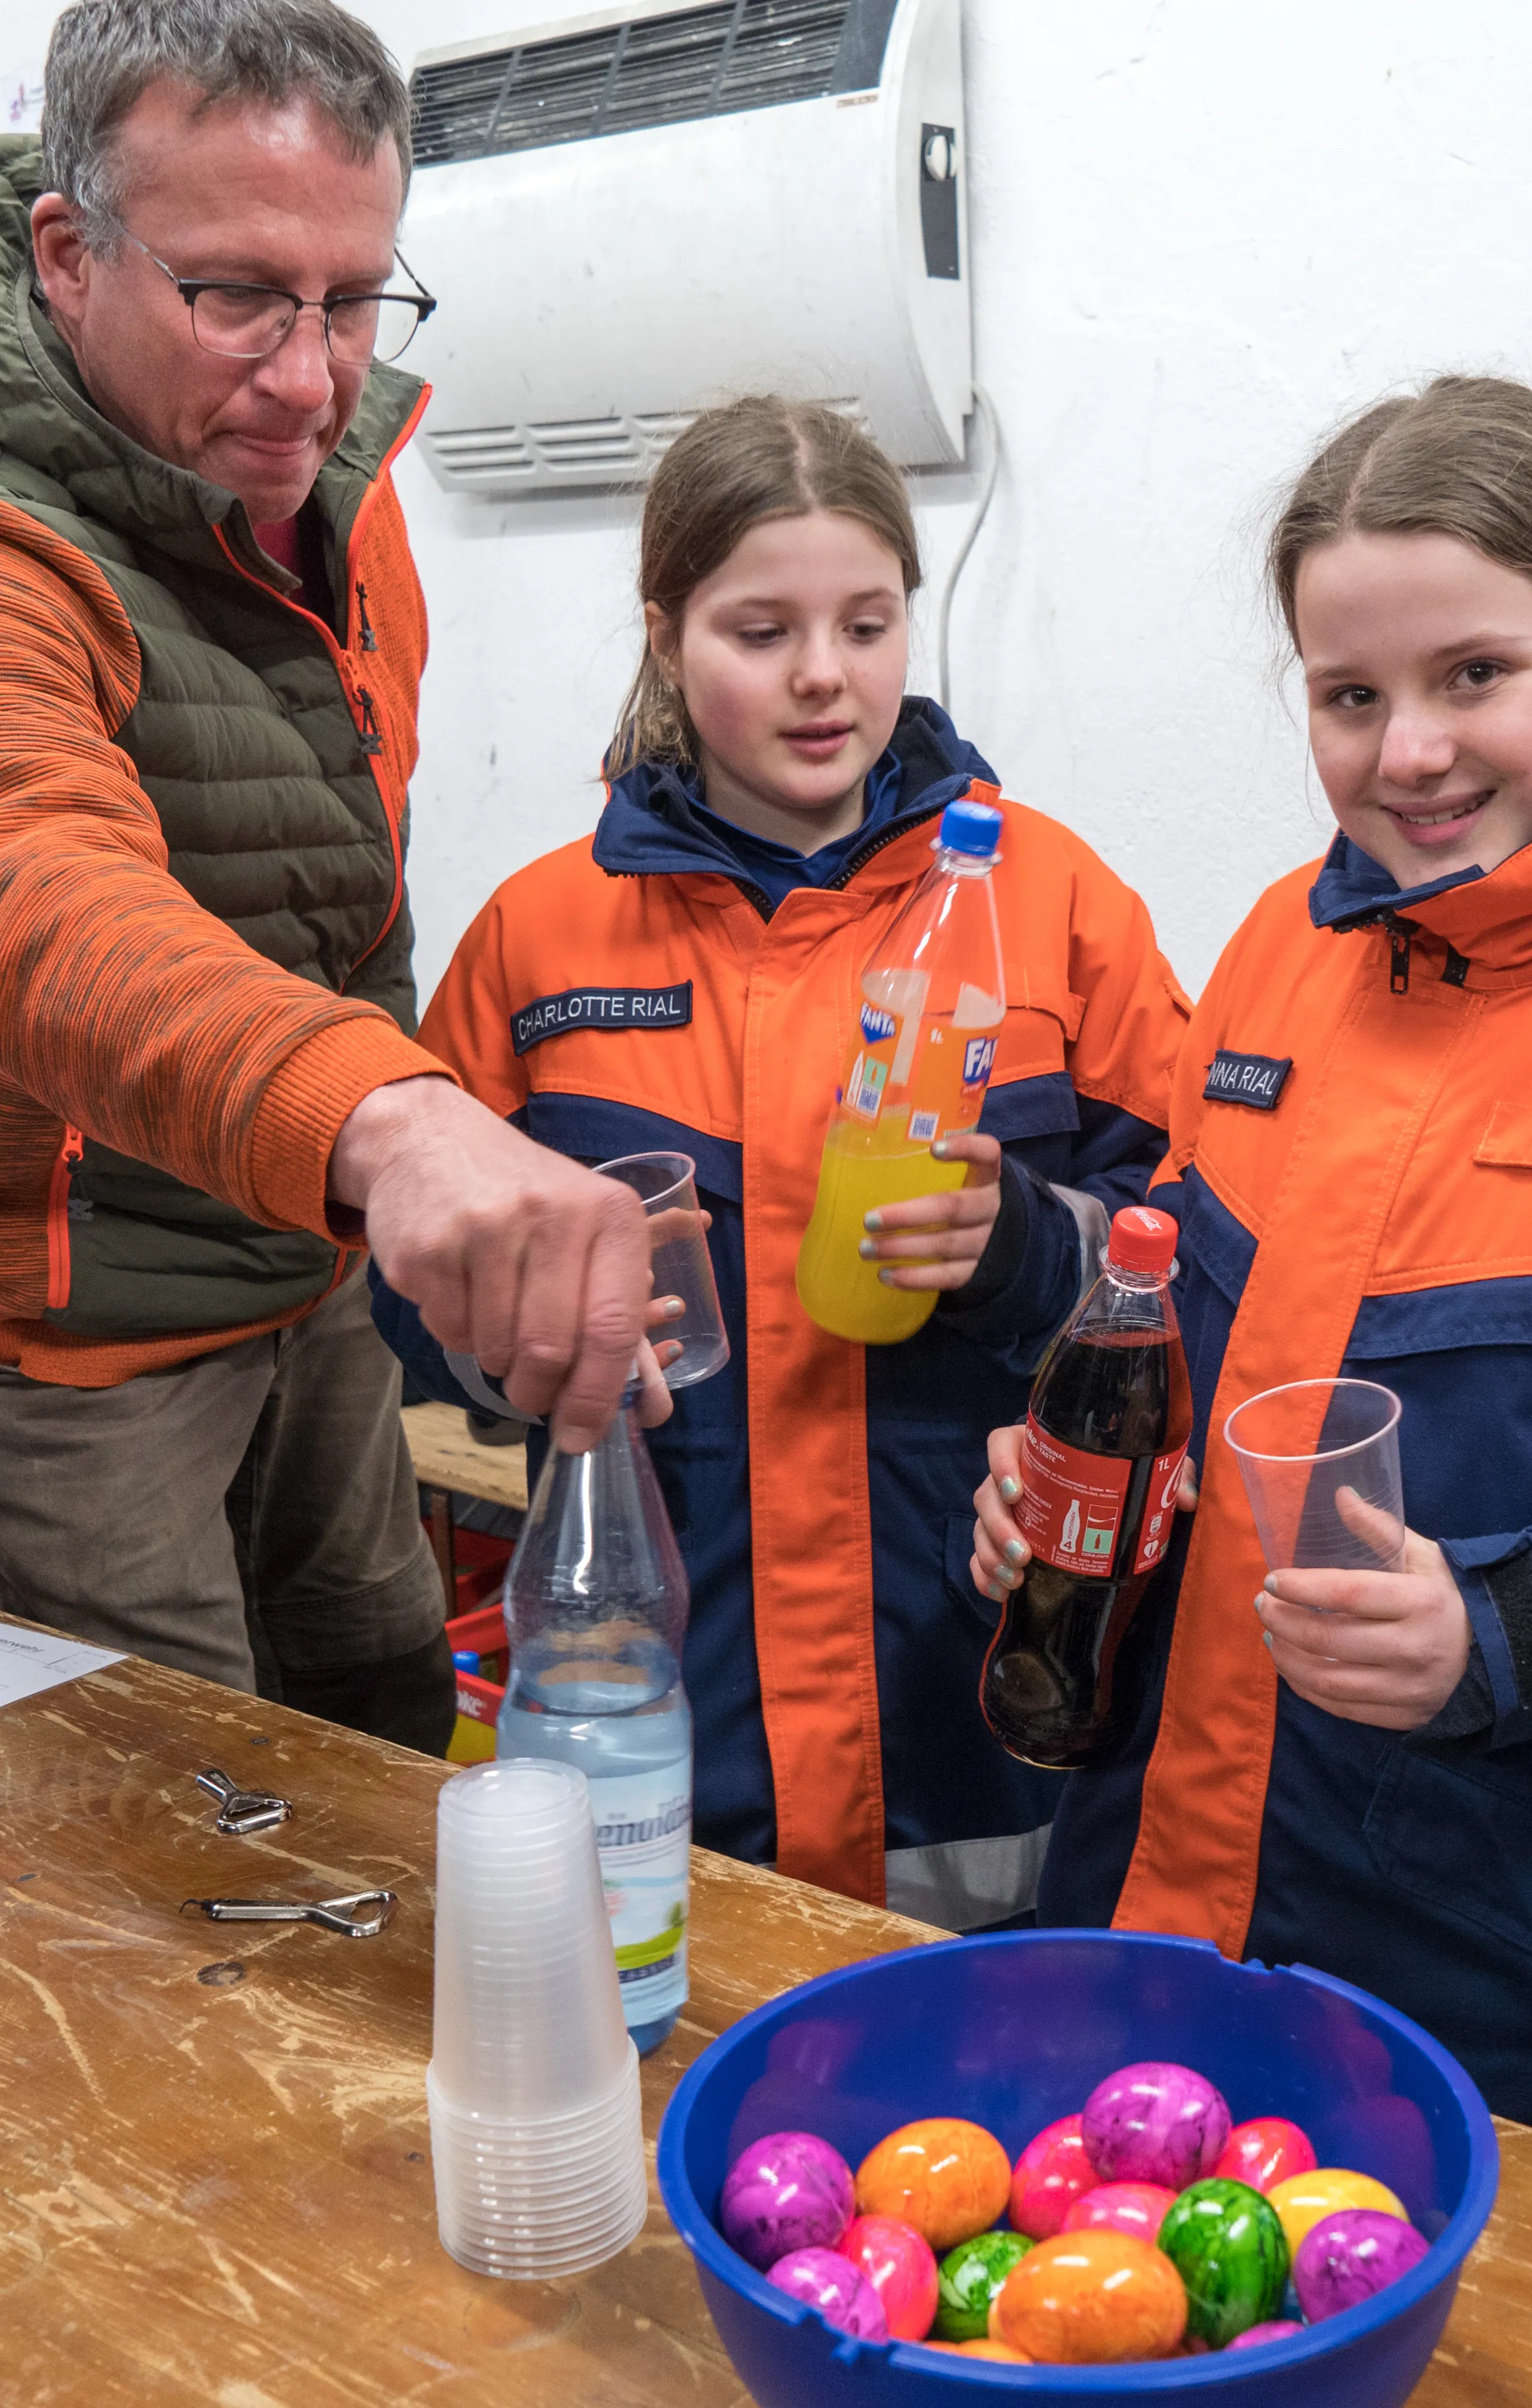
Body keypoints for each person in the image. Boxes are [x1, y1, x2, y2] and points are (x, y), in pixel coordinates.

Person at [971, 374, 1532, 2182]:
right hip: (1153, 1906)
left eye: (1475, 673)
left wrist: (1507, 1623)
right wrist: (1071, 1490)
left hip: (1520, 1993)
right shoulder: (1271, 954)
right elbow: (1173, 1326)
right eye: (1349, 695)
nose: (1409, 750)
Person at [0, 0, 657, 1753]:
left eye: (355, 297)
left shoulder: (313, 461)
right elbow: (30, 898)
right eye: (235, 297)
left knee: (369, 1701)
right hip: (58, 1328)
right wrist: (406, 1123)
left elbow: (316, 860)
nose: (310, 372)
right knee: (177, 1807)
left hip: (296, 1234)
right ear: (68, 253)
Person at [374, 398, 1191, 1927]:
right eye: (762, 628)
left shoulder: (1057, 904)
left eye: (867, 623)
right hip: (666, 1708)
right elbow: (411, 1283)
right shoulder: (539, 942)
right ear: (667, 631)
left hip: (980, 1722)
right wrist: (537, 1348)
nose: (826, 675)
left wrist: (1023, 1245)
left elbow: (1208, 1259)